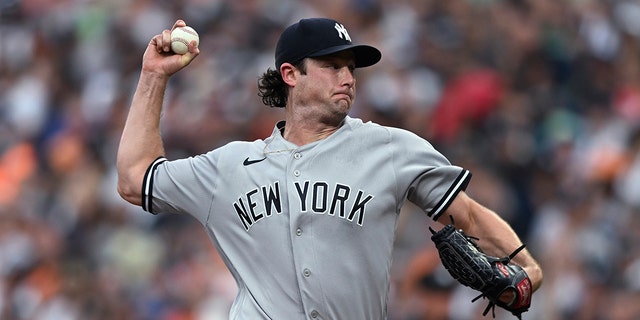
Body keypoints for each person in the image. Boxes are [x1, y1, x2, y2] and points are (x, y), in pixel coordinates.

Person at [117, 17, 542, 319]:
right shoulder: (229, 167)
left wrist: (529, 269)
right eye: (332, 65)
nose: (348, 77)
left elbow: (466, 214)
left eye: (351, 68)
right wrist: (154, 77)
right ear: (290, 73)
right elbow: (136, 177)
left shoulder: (390, 148)